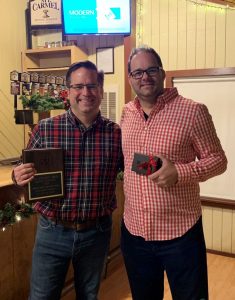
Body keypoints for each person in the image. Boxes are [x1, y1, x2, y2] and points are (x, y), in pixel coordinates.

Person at [120, 46, 227, 300]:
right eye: (137, 72)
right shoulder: (127, 113)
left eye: (151, 70)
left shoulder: (192, 111)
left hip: (181, 235)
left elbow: (218, 160)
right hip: (135, 234)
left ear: (163, 73)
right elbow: (131, 161)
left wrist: (180, 172)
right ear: (130, 78)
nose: (144, 77)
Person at [12, 60, 123, 300]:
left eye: (92, 86)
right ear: (68, 92)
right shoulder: (45, 129)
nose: (86, 93)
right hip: (52, 231)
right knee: (41, 296)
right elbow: (23, 167)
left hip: (97, 233)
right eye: (78, 86)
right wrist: (17, 175)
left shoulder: (116, 134)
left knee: (89, 296)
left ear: (101, 90)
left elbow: (133, 174)